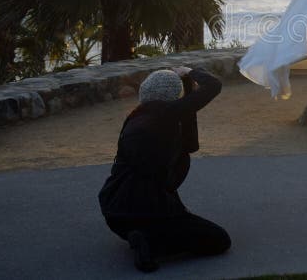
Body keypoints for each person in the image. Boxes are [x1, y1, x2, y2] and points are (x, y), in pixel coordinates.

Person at [98, 66, 229, 273]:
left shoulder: (136, 116)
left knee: (177, 160)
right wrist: (190, 71)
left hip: (116, 213)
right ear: (172, 97)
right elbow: (213, 85)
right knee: (219, 240)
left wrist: (186, 86)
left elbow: (190, 146)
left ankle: (143, 234)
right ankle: (151, 244)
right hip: (147, 211)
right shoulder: (165, 114)